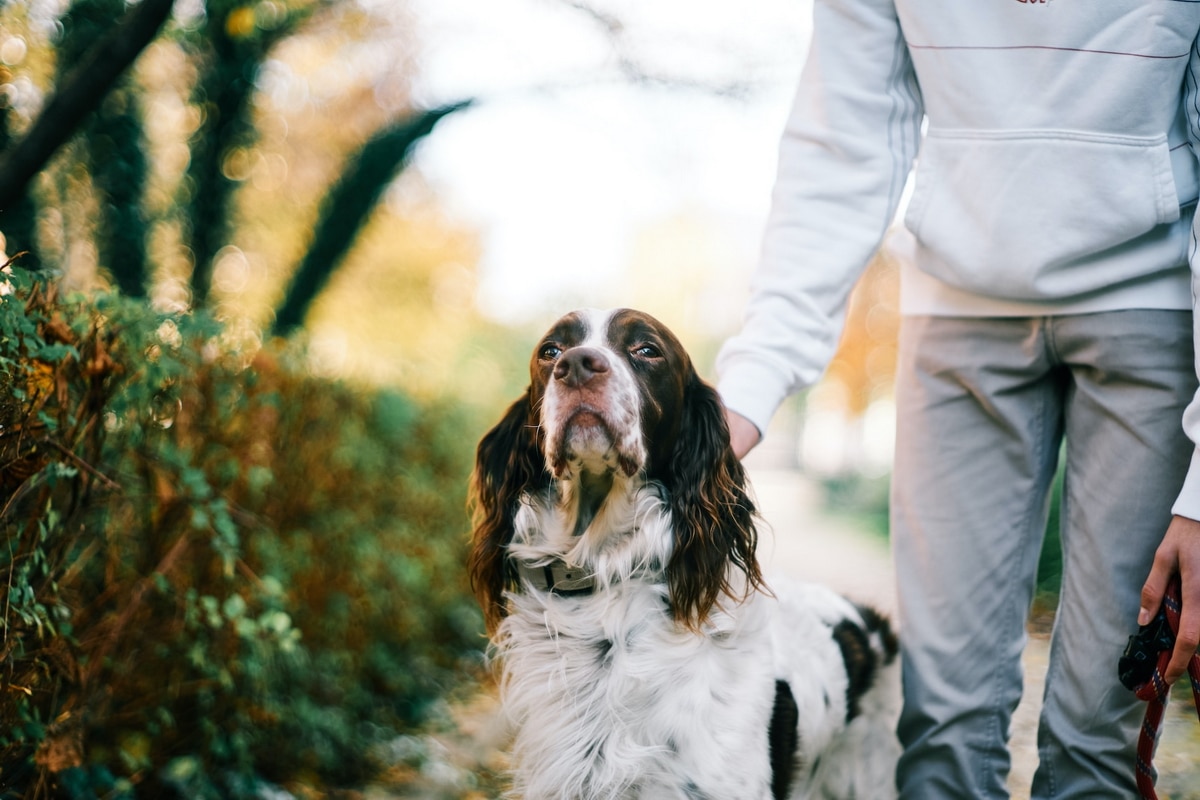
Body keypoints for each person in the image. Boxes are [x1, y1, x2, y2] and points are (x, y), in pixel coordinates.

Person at [715, 4, 1200, 798]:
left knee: (1097, 739)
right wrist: (752, 382)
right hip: (955, 311)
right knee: (940, 726)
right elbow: (845, 141)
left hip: (1153, 311)